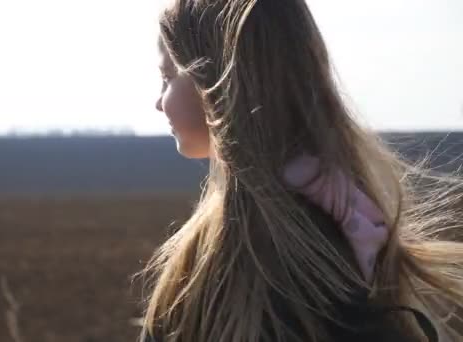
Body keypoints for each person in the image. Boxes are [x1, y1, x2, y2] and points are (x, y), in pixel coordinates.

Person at [138, 0, 463, 341]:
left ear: (216, 79)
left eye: (167, 76)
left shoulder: (216, 266)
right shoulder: (357, 230)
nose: (159, 102)